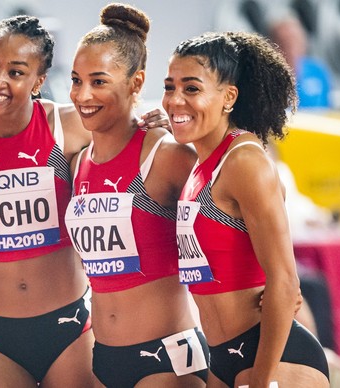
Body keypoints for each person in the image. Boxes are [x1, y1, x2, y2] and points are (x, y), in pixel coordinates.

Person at [0, 14, 169, 387]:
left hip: (68, 328)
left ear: (39, 81)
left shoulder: (70, 125)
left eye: (15, 72)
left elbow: (128, 144)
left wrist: (159, 123)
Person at [162, 30, 330, 387]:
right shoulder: (202, 160)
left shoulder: (245, 162)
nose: (175, 99)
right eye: (169, 87)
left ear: (229, 97)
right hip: (222, 356)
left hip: (273, 358)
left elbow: (285, 283)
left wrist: (262, 379)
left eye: (191, 88)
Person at [64, 4, 208, 387]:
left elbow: (240, 201)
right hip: (103, 358)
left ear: (136, 82)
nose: (82, 94)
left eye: (98, 81)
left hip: (166, 357)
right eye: (76, 80)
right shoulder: (78, 164)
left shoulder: (166, 156)